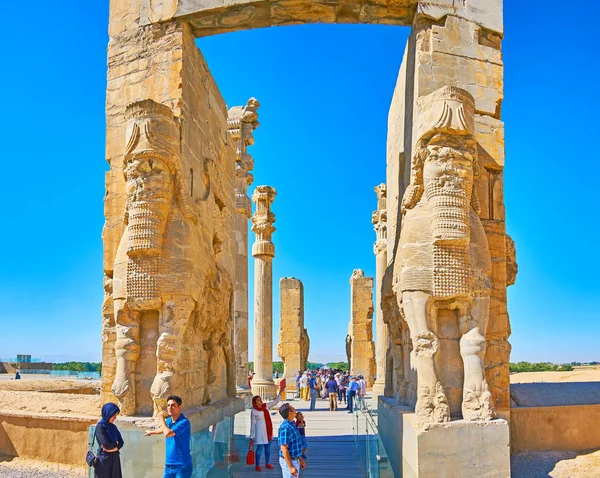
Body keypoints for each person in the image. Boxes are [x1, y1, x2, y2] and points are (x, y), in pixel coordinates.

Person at [145, 395, 192, 478]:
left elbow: (168, 433)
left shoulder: (184, 422)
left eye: (173, 405)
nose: (170, 408)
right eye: (168, 405)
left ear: (179, 407)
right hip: (169, 465)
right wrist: (151, 432)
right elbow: (162, 429)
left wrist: (162, 419)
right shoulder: (169, 420)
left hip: (182, 466)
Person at [250, 393, 281, 471]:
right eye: (258, 400)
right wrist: (251, 435)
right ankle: (257, 465)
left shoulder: (266, 406)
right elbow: (253, 424)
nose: (260, 401)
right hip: (260, 432)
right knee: (259, 449)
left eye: (260, 399)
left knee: (267, 449)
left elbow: (275, 402)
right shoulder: (254, 411)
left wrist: (280, 393)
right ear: (255, 402)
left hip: (268, 431)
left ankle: (267, 463)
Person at [94, 403, 124, 478]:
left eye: (116, 415)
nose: (115, 418)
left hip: (114, 459)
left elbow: (121, 442)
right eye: (113, 415)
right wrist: (115, 445)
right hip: (104, 460)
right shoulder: (100, 427)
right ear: (108, 414)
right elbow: (106, 444)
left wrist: (112, 448)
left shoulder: (113, 427)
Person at [278, 403, 306, 478]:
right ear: (290, 413)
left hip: (295, 459)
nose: (295, 409)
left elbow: (294, 444)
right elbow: (284, 448)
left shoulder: (292, 423)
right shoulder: (285, 428)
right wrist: (290, 466)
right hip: (289, 461)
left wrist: (299, 458)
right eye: (293, 408)